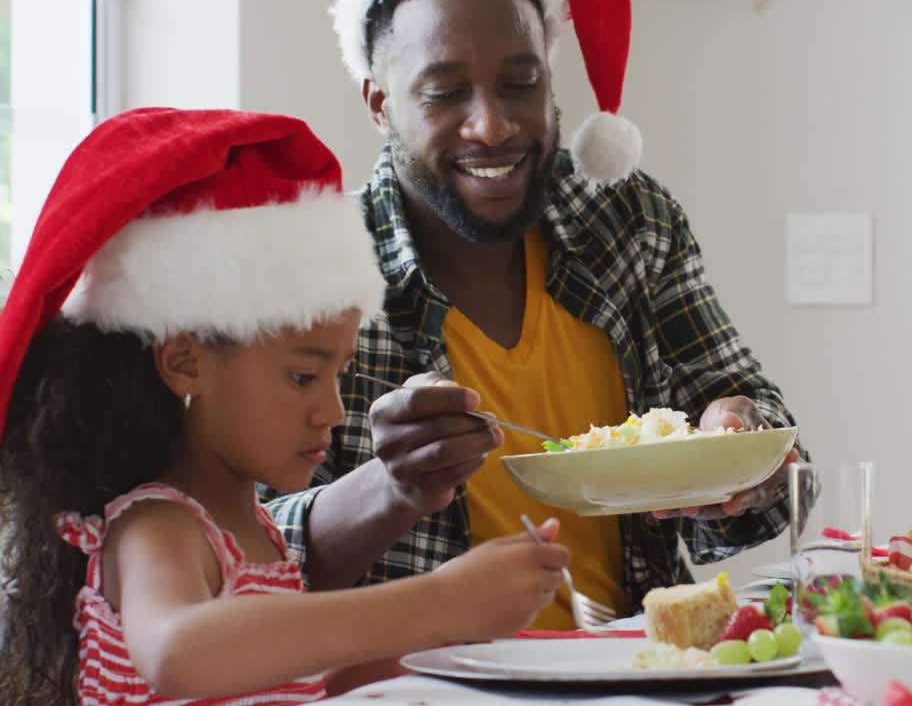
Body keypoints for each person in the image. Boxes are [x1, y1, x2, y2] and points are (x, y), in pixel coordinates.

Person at [262, 0, 806, 631]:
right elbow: (243, 566)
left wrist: (743, 453)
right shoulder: (311, 277)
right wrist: (391, 488)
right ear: (381, 105)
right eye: (444, 93)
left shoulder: (628, 220)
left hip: (638, 665)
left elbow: (783, 469)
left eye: (520, 83)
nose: (492, 126)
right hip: (425, 684)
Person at [0, 108, 569, 705]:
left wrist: (462, 649)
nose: (332, 411)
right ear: (185, 362)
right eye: (302, 376)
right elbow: (177, 651)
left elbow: (293, 678)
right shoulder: (158, 524)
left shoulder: (257, 529)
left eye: (339, 374)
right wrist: (439, 603)